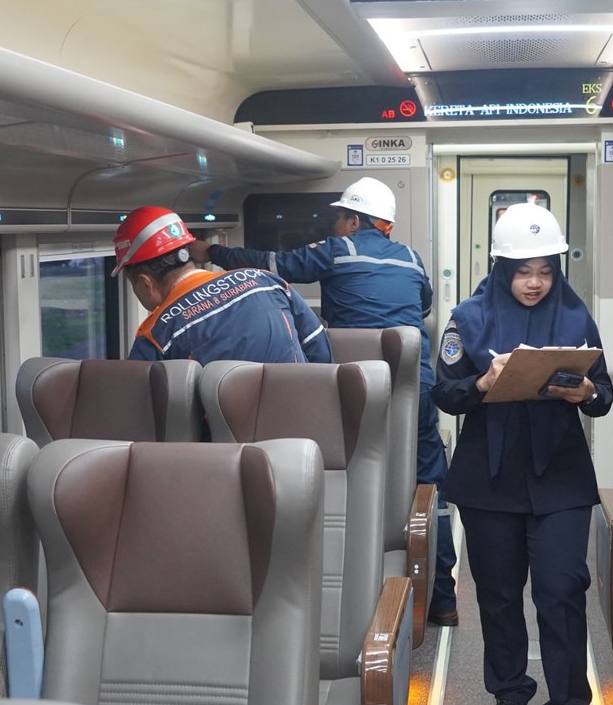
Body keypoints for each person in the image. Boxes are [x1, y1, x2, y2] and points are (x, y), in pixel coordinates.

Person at [206, 178, 460, 625]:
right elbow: (421, 307)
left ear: (355, 221)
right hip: (415, 386)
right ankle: (442, 600)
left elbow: (271, 265)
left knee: (352, 480)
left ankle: (354, 596)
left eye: (339, 217)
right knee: (429, 486)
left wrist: (215, 254)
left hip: (355, 387)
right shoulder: (412, 258)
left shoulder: (337, 251)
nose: (335, 225)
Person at [431, 202, 612, 705]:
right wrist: (484, 382)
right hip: (490, 479)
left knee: (562, 591)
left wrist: (588, 394)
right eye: (522, 271)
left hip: (560, 478)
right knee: (499, 594)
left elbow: (603, 393)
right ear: (501, 268)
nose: (534, 283)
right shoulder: (468, 318)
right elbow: (445, 394)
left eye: (545, 271)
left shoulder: (576, 317)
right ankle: (510, 695)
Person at [112, 206, 330, 364]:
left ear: (145, 283)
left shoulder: (156, 336)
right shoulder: (267, 281)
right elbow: (317, 346)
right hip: (304, 410)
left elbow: (138, 406)